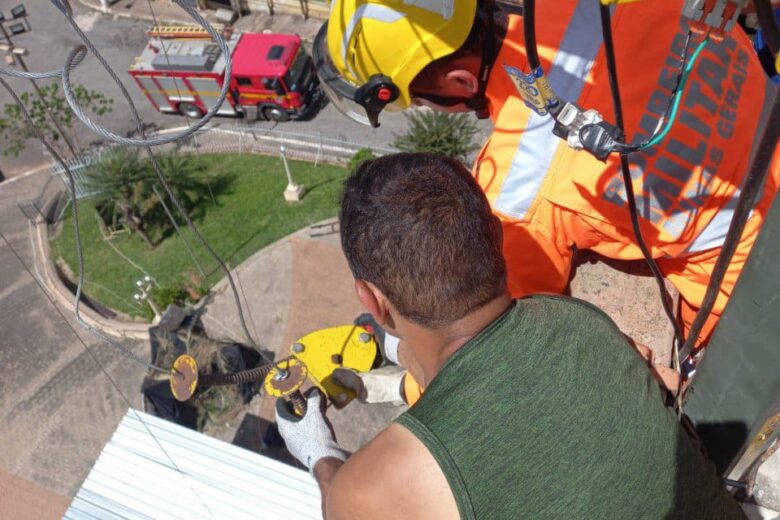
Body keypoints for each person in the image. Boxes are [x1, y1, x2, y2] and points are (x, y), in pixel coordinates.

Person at [275, 153, 744, 519]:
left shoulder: (374, 487)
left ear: (371, 300)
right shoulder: (580, 322)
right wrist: (389, 354)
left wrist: (318, 451)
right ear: (495, 238)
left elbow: (344, 500)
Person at [314, 0, 780, 366]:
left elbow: (485, 348)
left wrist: (398, 353)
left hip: (756, 289)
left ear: (457, 80)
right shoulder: (590, 5)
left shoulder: (521, 189)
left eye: (421, 97)